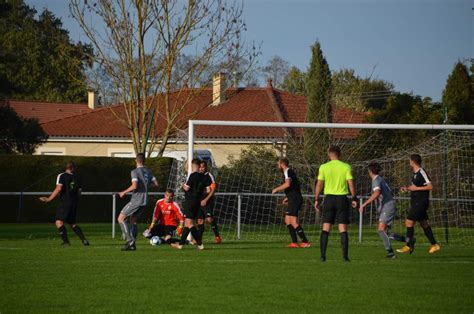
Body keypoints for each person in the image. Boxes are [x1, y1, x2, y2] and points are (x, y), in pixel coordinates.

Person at [314, 146, 358, 262]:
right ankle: (345, 257)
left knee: (326, 228)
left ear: (329, 154)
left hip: (329, 199)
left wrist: (316, 199)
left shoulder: (323, 167)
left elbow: (319, 185)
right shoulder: (346, 166)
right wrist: (354, 198)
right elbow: (351, 183)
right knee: (343, 228)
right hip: (342, 199)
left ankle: (322, 256)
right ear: (340, 154)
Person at [397, 154, 440, 254]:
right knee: (424, 223)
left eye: (410, 161)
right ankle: (434, 245)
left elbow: (430, 186)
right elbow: (415, 187)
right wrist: (407, 188)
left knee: (408, 222)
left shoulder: (422, 172)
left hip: (421, 202)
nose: (409, 162)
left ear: (413, 162)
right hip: (416, 201)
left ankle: (408, 245)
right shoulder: (414, 173)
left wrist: (416, 188)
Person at [39, 161, 89, 246]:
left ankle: (66, 242)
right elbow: (79, 192)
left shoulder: (61, 175)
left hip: (65, 203)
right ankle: (84, 240)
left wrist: (48, 199)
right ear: (73, 168)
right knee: (72, 223)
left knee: (59, 222)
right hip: (74, 203)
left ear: (66, 168)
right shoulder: (78, 177)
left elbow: (58, 189)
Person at [118, 153, 158, 251]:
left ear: (136, 160)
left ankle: (129, 241)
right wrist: (146, 187)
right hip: (145, 201)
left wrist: (124, 192)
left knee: (121, 218)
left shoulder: (134, 171)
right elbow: (156, 184)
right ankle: (133, 244)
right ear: (144, 161)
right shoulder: (148, 171)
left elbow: (134, 186)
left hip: (136, 200)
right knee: (133, 220)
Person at [359, 162, 396, 258]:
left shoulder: (376, 180)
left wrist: (364, 204)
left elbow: (377, 192)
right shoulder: (380, 179)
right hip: (388, 205)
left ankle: (390, 253)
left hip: (387, 206)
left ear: (370, 171)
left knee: (380, 230)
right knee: (385, 232)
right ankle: (408, 240)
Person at [171, 158, 210, 250]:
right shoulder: (205, 177)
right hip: (197, 202)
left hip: (190, 201)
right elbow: (208, 190)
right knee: (187, 224)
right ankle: (180, 245)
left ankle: (200, 244)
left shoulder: (193, 175)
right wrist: (199, 193)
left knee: (190, 224)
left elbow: (187, 188)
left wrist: (182, 185)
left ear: (193, 165)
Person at [272, 157, 310, 248]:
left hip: (295, 199)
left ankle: (305, 242)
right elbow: (294, 186)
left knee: (293, 221)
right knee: (287, 220)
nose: (278, 166)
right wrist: (288, 197)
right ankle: (294, 243)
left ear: (282, 164)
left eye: (278, 164)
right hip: (293, 198)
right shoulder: (288, 172)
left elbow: (288, 184)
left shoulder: (288, 171)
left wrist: (276, 189)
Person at [197, 161, 222, 244]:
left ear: (206, 167)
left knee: (209, 219)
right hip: (198, 202)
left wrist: (206, 200)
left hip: (207, 201)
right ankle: (199, 239)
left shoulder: (209, 175)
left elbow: (213, 189)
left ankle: (217, 236)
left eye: (203, 167)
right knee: (200, 220)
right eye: (199, 167)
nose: (201, 168)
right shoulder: (195, 175)